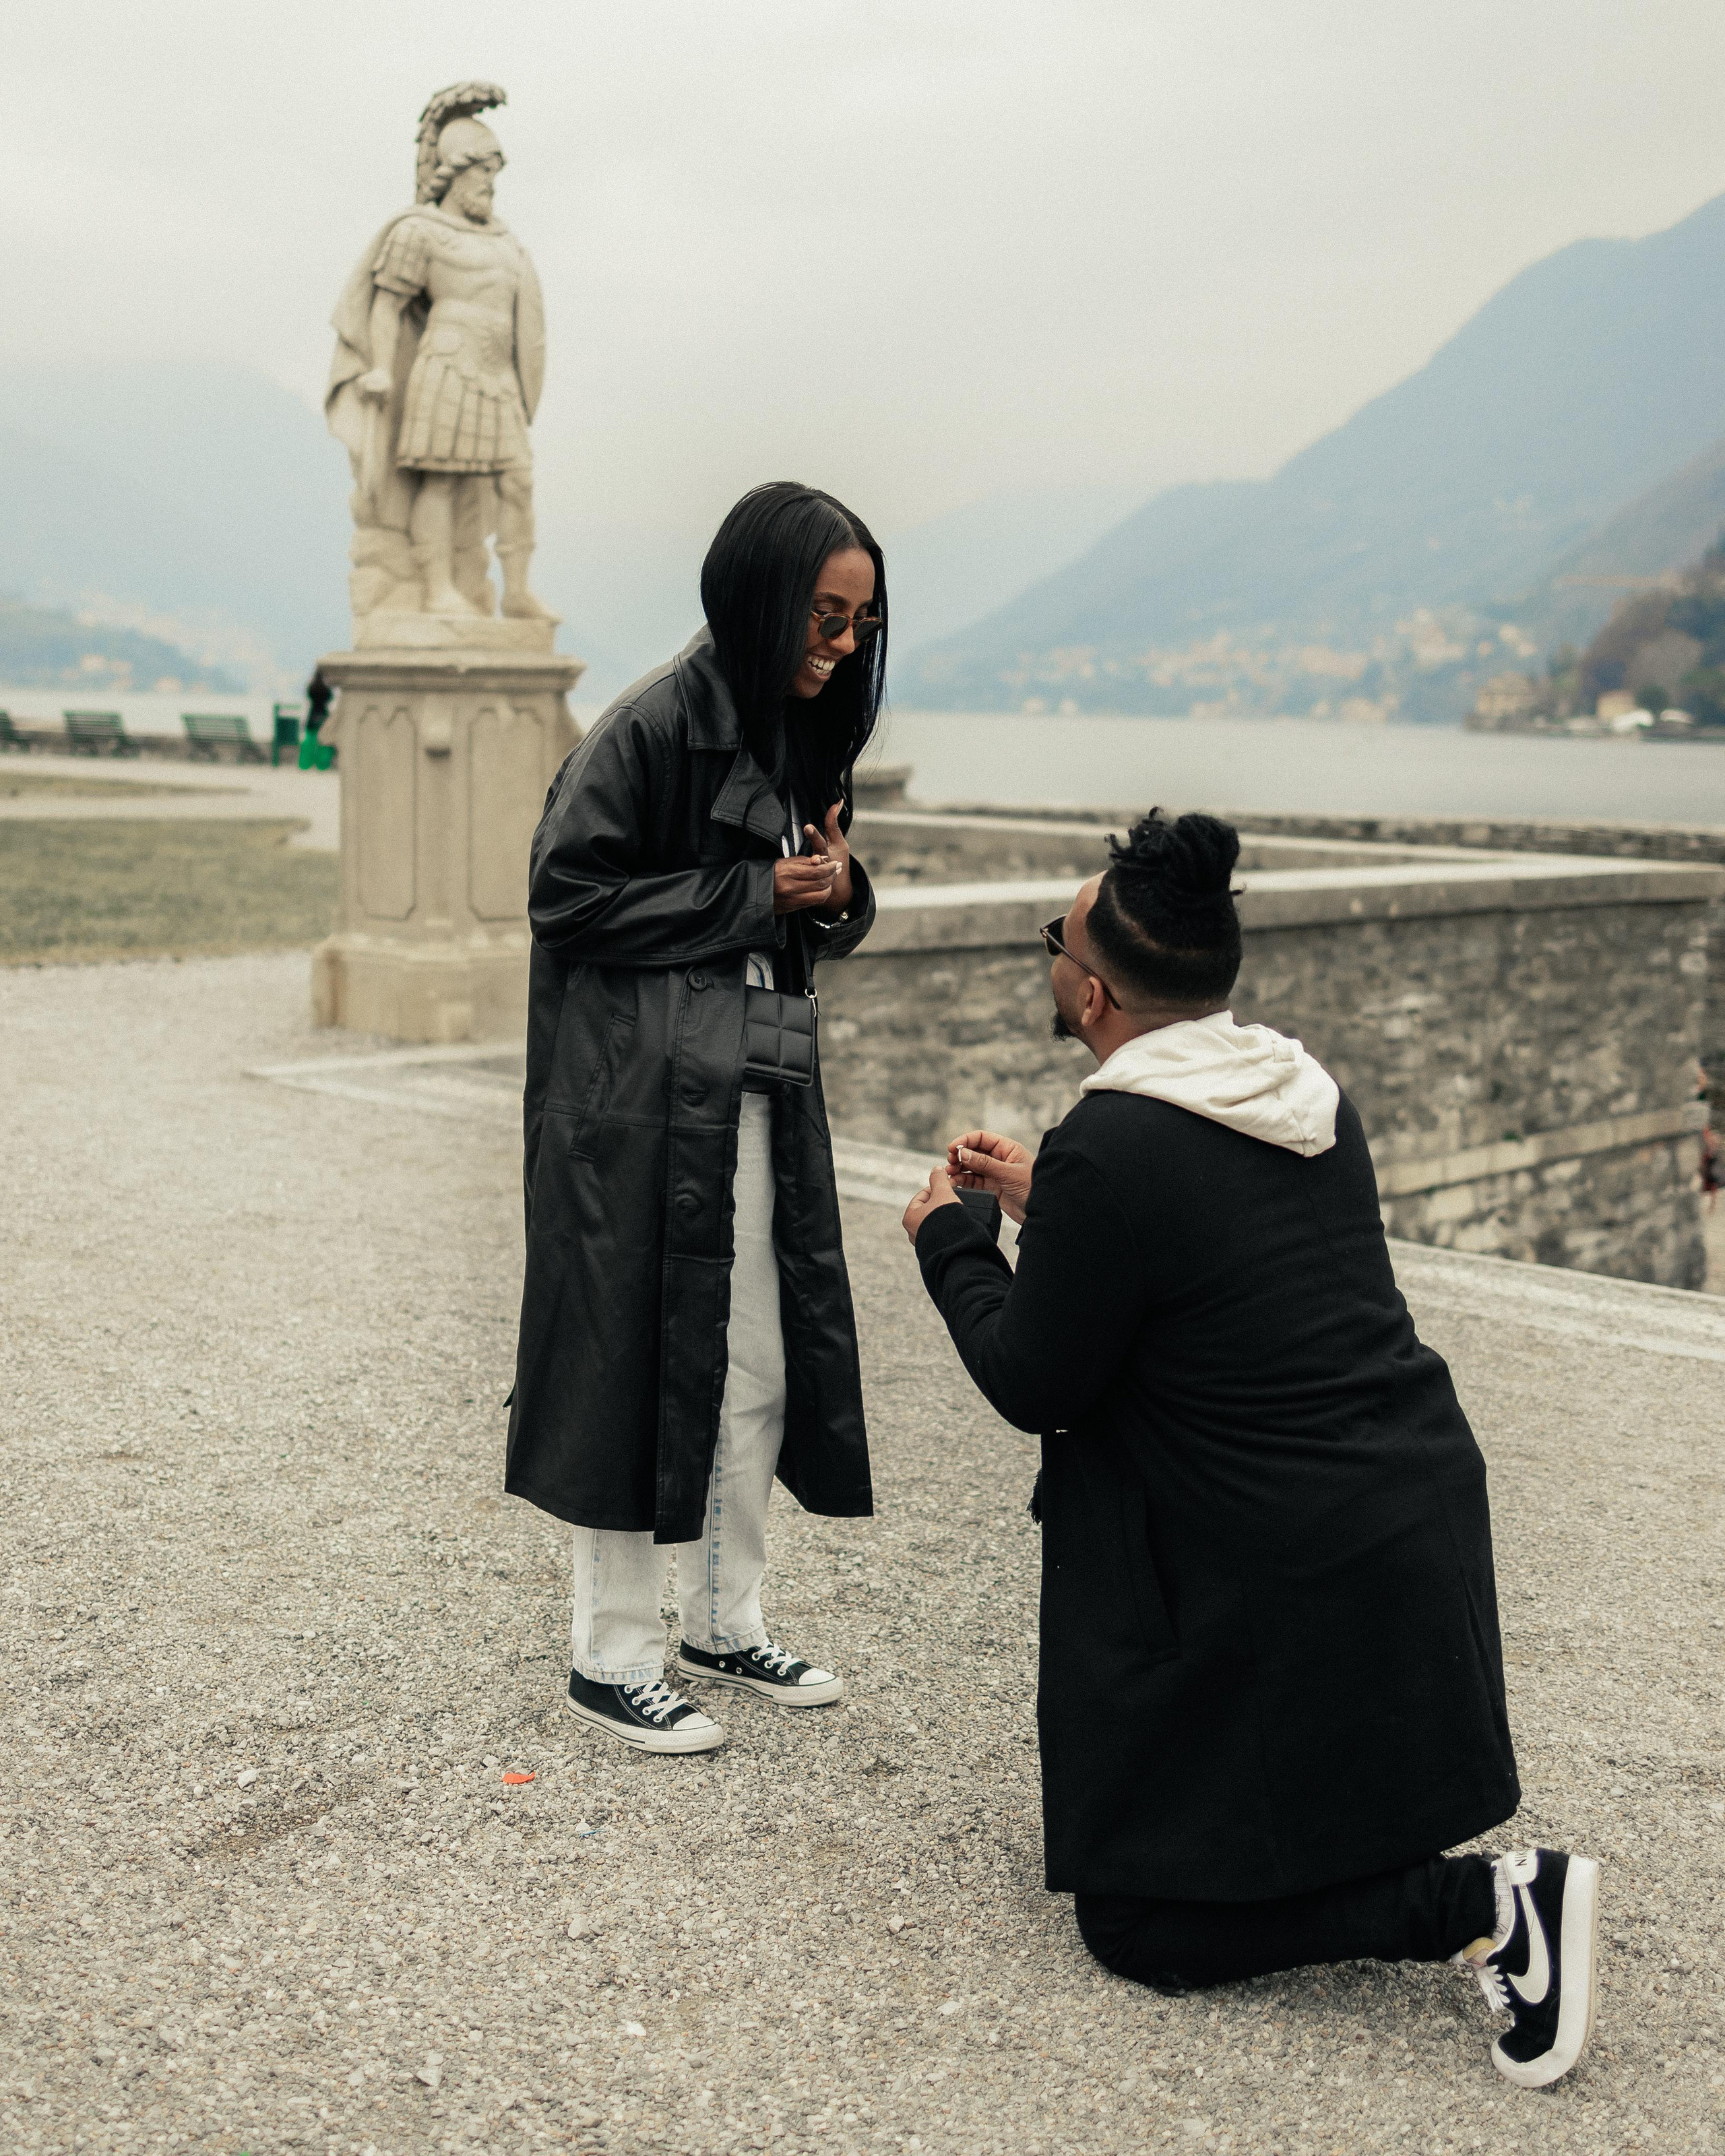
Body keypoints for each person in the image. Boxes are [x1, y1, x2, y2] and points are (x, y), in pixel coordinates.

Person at [902, 809, 1600, 2089]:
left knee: (1140, 1926)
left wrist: (955, 1243)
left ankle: (1492, 1907)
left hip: (1267, 1562)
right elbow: (1215, 1256)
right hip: (1396, 1513)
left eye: (1057, 941)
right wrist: (1048, 1201)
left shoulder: (1112, 1145)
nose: (1053, 958)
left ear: (1093, 992)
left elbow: (1032, 1379)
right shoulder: (1300, 1089)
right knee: (1255, 1835)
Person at [505, 481, 885, 1754]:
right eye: (824, 616)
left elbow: (802, 896)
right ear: (763, 596)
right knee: (630, 1353)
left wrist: (833, 889)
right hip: (633, 1106)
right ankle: (611, 1657)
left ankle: (727, 1619)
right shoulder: (651, 725)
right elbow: (564, 896)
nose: (839, 643)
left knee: (761, 1355)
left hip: (748, 1083)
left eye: (857, 622)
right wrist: (750, 892)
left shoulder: (797, 732)